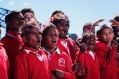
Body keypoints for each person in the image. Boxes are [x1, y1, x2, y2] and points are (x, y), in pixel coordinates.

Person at [1, 11, 25, 79]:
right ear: (8, 22)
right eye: (17, 18)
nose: (21, 21)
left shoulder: (26, 40)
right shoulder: (3, 42)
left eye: (22, 19)